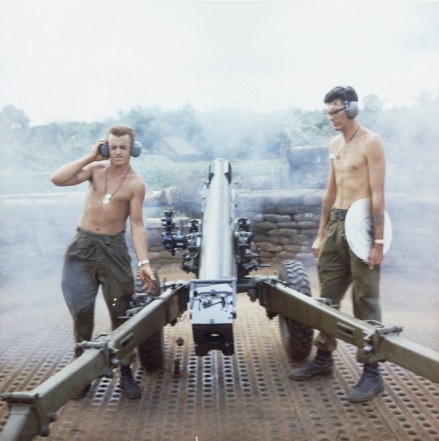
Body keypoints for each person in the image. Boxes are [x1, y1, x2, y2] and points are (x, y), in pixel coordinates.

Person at [289, 86, 386, 403]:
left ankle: (372, 373)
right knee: (327, 297)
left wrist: (378, 241)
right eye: (327, 112)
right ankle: (324, 358)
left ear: (353, 109)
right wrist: (321, 233)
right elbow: (330, 192)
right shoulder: (333, 144)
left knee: (365, 298)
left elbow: (378, 194)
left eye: (336, 110)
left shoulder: (371, 142)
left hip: (362, 225)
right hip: (336, 225)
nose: (331, 117)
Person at [51, 125, 155, 400]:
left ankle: (126, 372)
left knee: (120, 313)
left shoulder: (135, 183)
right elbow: (57, 179)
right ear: (106, 147)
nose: (118, 152)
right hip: (82, 248)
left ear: (133, 149)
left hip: (113, 251)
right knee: (82, 312)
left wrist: (143, 262)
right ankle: (82, 373)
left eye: (123, 147)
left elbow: (137, 224)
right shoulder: (95, 170)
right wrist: (90, 156)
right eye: (113, 146)